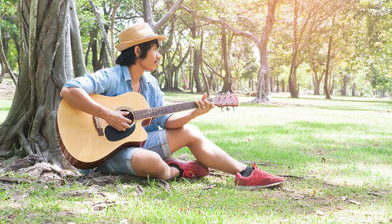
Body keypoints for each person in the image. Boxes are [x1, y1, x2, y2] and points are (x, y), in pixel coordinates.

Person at [60, 22, 284, 189]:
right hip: (105, 155)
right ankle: (177, 170)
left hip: (141, 143)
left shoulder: (151, 83)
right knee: (152, 162)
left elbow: (165, 122)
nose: (159, 55)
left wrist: (195, 113)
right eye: (155, 49)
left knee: (190, 131)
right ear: (138, 51)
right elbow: (69, 90)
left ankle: (244, 172)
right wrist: (107, 115)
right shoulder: (111, 76)